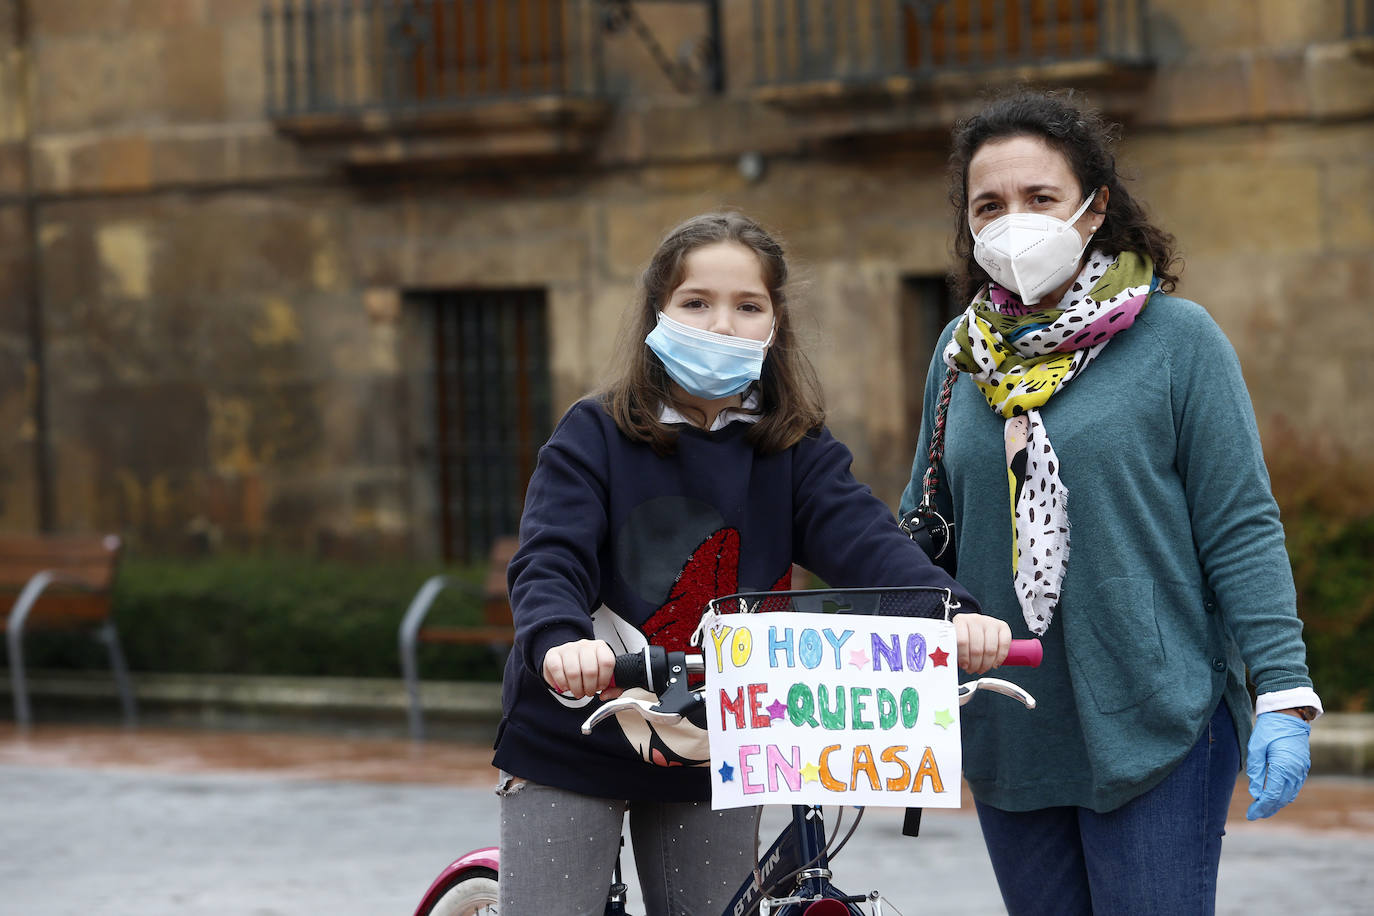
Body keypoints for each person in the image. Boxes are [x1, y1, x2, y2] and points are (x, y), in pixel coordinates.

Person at [493, 211, 1011, 915]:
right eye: (696, 303)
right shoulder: (597, 434)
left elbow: (864, 541)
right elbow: (550, 558)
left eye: (748, 306)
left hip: (717, 736)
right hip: (580, 724)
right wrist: (559, 642)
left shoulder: (791, 447)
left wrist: (951, 614)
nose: (723, 324)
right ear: (658, 312)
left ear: (775, 325)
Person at [899, 89, 1323, 915]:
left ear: (1092, 210)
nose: (1013, 221)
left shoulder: (1178, 340)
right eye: (990, 205)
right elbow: (922, 529)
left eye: (1040, 198)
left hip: (1157, 720)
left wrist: (1283, 689)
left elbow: (1239, 526)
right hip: (1011, 725)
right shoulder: (958, 357)